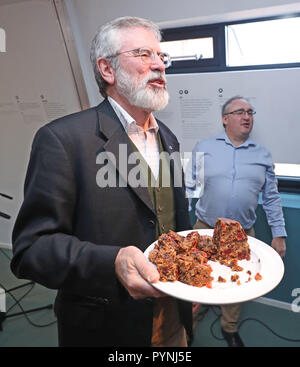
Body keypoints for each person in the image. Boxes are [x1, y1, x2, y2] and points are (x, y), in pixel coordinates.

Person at [10, 16, 193, 347]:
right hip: (108, 327)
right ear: (107, 70)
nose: (160, 66)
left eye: (161, 56)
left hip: (172, 317)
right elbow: (31, 250)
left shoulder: (169, 137)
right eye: (143, 54)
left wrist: (189, 279)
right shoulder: (63, 140)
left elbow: (174, 220)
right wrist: (113, 263)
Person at [185, 96, 286, 347]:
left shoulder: (262, 155)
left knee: (236, 283)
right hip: (205, 229)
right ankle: (190, 324)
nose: (247, 116)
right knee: (196, 278)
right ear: (225, 118)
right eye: (240, 111)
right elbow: (187, 186)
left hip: (242, 234)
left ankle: (229, 329)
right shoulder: (204, 147)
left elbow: (272, 198)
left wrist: (279, 233)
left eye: (250, 112)